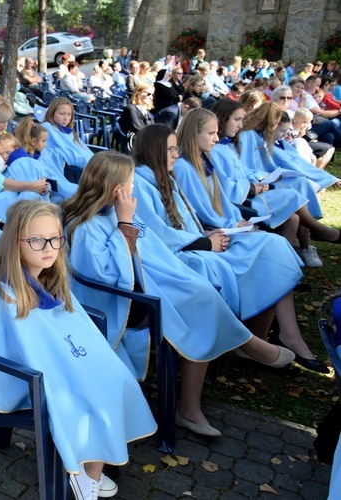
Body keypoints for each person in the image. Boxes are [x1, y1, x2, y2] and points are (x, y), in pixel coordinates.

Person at [63, 151, 295, 438]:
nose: (134, 189)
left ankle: (198, 396)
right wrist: (125, 225)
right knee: (198, 306)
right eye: (131, 183)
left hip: (141, 287)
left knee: (200, 292)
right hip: (116, 303)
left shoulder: (114, 213)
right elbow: (108, 277)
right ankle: (238, 356)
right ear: (116, 190)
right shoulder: (86, 226)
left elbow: (155, 249)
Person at [0, 199, 157, 500]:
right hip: (18, 379)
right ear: (16, 242)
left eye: (55, 239)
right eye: (37, 240)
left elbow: (61, 333)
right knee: (92, 396)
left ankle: (90, 462)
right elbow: (17, 351)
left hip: (52, 363)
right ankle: (86, 477)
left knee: (115, 379)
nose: (49, 248)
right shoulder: (6, 295)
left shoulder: (47, 278)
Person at [132, 124, 315, 361]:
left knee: (273, 246)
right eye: (169, 150)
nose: (175, 154)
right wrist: (206, 243)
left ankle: (264, 334)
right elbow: (157, 235)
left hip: (200, 239)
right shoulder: (140, 182)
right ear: (153, 150)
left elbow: (186, 219)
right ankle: (251, 341)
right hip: (177, 255)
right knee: (257, 257)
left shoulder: (165, 176)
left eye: (175, 148)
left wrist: (210, 233)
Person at [173, 109, 329, 373]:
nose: (216, 137)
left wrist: (238, 221)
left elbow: (220, 201)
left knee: (275, 248)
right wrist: (230, 225)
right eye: (210, 133)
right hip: (211, 236)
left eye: (215, 132)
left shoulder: (204, 159)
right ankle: (272, 338)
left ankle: (269, 335)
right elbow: (196, 213)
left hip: (227, 228)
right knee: (273, 249)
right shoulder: (184, 167)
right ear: (193, 134)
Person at [211, 99, 338, 268]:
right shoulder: (215, 149)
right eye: (236, 119)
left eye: (242, 119)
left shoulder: (225, 146)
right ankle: (318, 231)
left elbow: (243, 170)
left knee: (292, 218)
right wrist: (252, 187)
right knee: (292, 194)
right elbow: (223, 186)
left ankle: (284, 267)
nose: (241, 125)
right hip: (239, 202)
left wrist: (261, 178)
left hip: (249, 191)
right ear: (223, 119)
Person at [0, 133, 51, 221]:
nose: (4, 157)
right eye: (1, 154)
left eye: (7, 153)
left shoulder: (21, 162)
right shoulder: (6, 165)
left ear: (16, 149)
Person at [15, 116, 77, 199]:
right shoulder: (25, 160)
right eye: (43, 141)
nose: (46, 144)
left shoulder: (40, 154)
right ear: (33, 141)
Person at [41, 97, 93, 169]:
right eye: (62, 114)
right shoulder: (47, 127)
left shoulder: (69, 132)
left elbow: (83, 150)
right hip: (81, 169)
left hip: (92, 162)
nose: (66, 118)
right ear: (52, 113)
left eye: (69, 115)